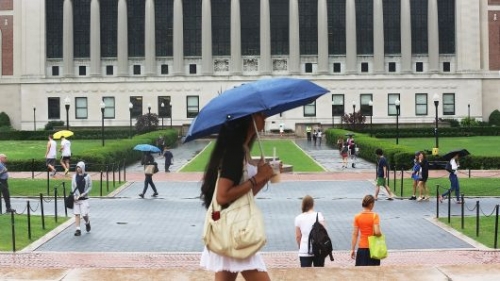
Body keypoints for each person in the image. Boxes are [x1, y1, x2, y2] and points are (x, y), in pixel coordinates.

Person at [199, 113, 274, 281]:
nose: (265, 118)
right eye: (260, 115)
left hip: (231, 229)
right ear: (249, 120)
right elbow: (222, 196)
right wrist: (257, 178)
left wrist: (264, 177)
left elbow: (244, 195)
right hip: (235, 231)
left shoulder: (242, 149)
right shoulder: (234, 152)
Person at [351, 194, 382, 266]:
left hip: (362, 248)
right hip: (373, 248)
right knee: (374, 273)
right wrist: (380, 234)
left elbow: (355, 234)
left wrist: (352, 249)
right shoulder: (375, 216)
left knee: (361, 273)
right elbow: (377, 232)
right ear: (371, 204)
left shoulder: (357, 216)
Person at [295, 195, 326, 267]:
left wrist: (301, 247)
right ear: (313, 204)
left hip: (304, 250)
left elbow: (298, 237)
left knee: (305, 276)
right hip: (318, 250)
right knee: (319, 275)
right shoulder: (319, 216)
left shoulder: (298, 218)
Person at [72, 161, 92, 236]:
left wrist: (84, 193)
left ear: (82, 168)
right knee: (77, 214)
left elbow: (90, 186)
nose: (78, 169)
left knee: (84, 214)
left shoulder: (87, 176)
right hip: (76, 198)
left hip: (84, 198)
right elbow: (73, 187)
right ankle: (78, 229)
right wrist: (74, 196)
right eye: (77, 167)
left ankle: (87, 222)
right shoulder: (74, 176)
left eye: (79, 167)